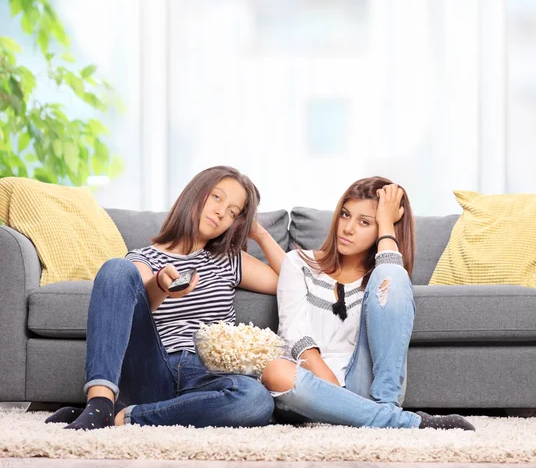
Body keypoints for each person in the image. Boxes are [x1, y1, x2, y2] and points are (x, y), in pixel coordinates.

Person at [47, 165, 285, 430]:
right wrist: (161, 285)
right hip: (153, 369)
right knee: (116, 268)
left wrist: (260, 233)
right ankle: (100, 403)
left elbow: (292, 282)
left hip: (206, 374)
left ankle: (122, 417)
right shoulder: (143, 257)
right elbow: (135, 301)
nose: (221, 212)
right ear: (196, 194)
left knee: (256, 400)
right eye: (217, 197)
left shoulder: (229, 259)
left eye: (233, 212)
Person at [261, 177, 475, 431]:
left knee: (393, 276)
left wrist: (386, 223)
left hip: (364, 388)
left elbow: (391, 279)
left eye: (364, 222)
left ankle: (385, 406)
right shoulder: (297, 262)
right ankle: (396, 421)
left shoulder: (381, 278)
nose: (348, 228)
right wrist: (333, 396)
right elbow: (294, 334)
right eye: (345, 215)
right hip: (309, 390)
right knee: (275, 370)